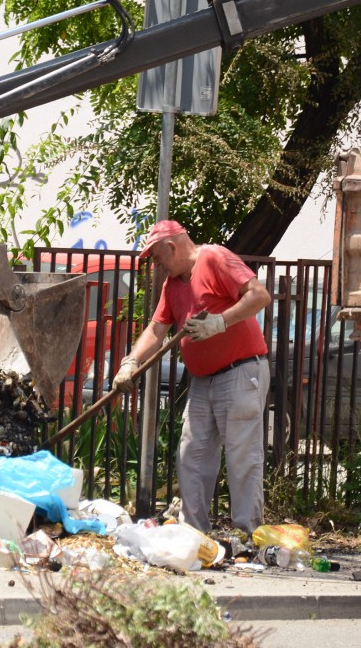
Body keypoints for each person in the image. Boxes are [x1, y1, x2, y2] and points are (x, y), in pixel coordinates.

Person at [113, 220, 271, 535]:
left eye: (157, 257)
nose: (156, 265)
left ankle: (247, 536)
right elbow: (157, 329)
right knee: (192, 457)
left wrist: (220, 322)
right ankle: (194, 535)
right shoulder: (172, 285)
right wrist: (131, 361)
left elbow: (259, 296)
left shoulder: (214, 257)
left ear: (171, 247)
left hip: (240, 372)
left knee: (242, 457)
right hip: (203, 380)